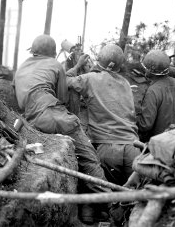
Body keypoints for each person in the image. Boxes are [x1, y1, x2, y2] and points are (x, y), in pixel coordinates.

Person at [13, 34, 110, 224]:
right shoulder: (55, 65)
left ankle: (89, 208)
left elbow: (18, 97)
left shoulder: (22, 67)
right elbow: (63, 96)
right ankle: (112, 205)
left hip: (31, 120)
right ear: (52, 52)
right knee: (90, 160)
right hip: (54, 117)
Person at [66, 44, 141, 186]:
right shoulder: (125, 83)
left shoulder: (90, 79)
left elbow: (66, 80)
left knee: (109, 198)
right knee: (131, 201)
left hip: (109, 148)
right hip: (133, 147)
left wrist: (78, 65)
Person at [137, 50, 175, 142]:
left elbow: (146, 125)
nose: (145, 69)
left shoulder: (152, 91)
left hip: (160, 141)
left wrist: (134, 118)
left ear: (151, 70)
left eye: (146, 67)